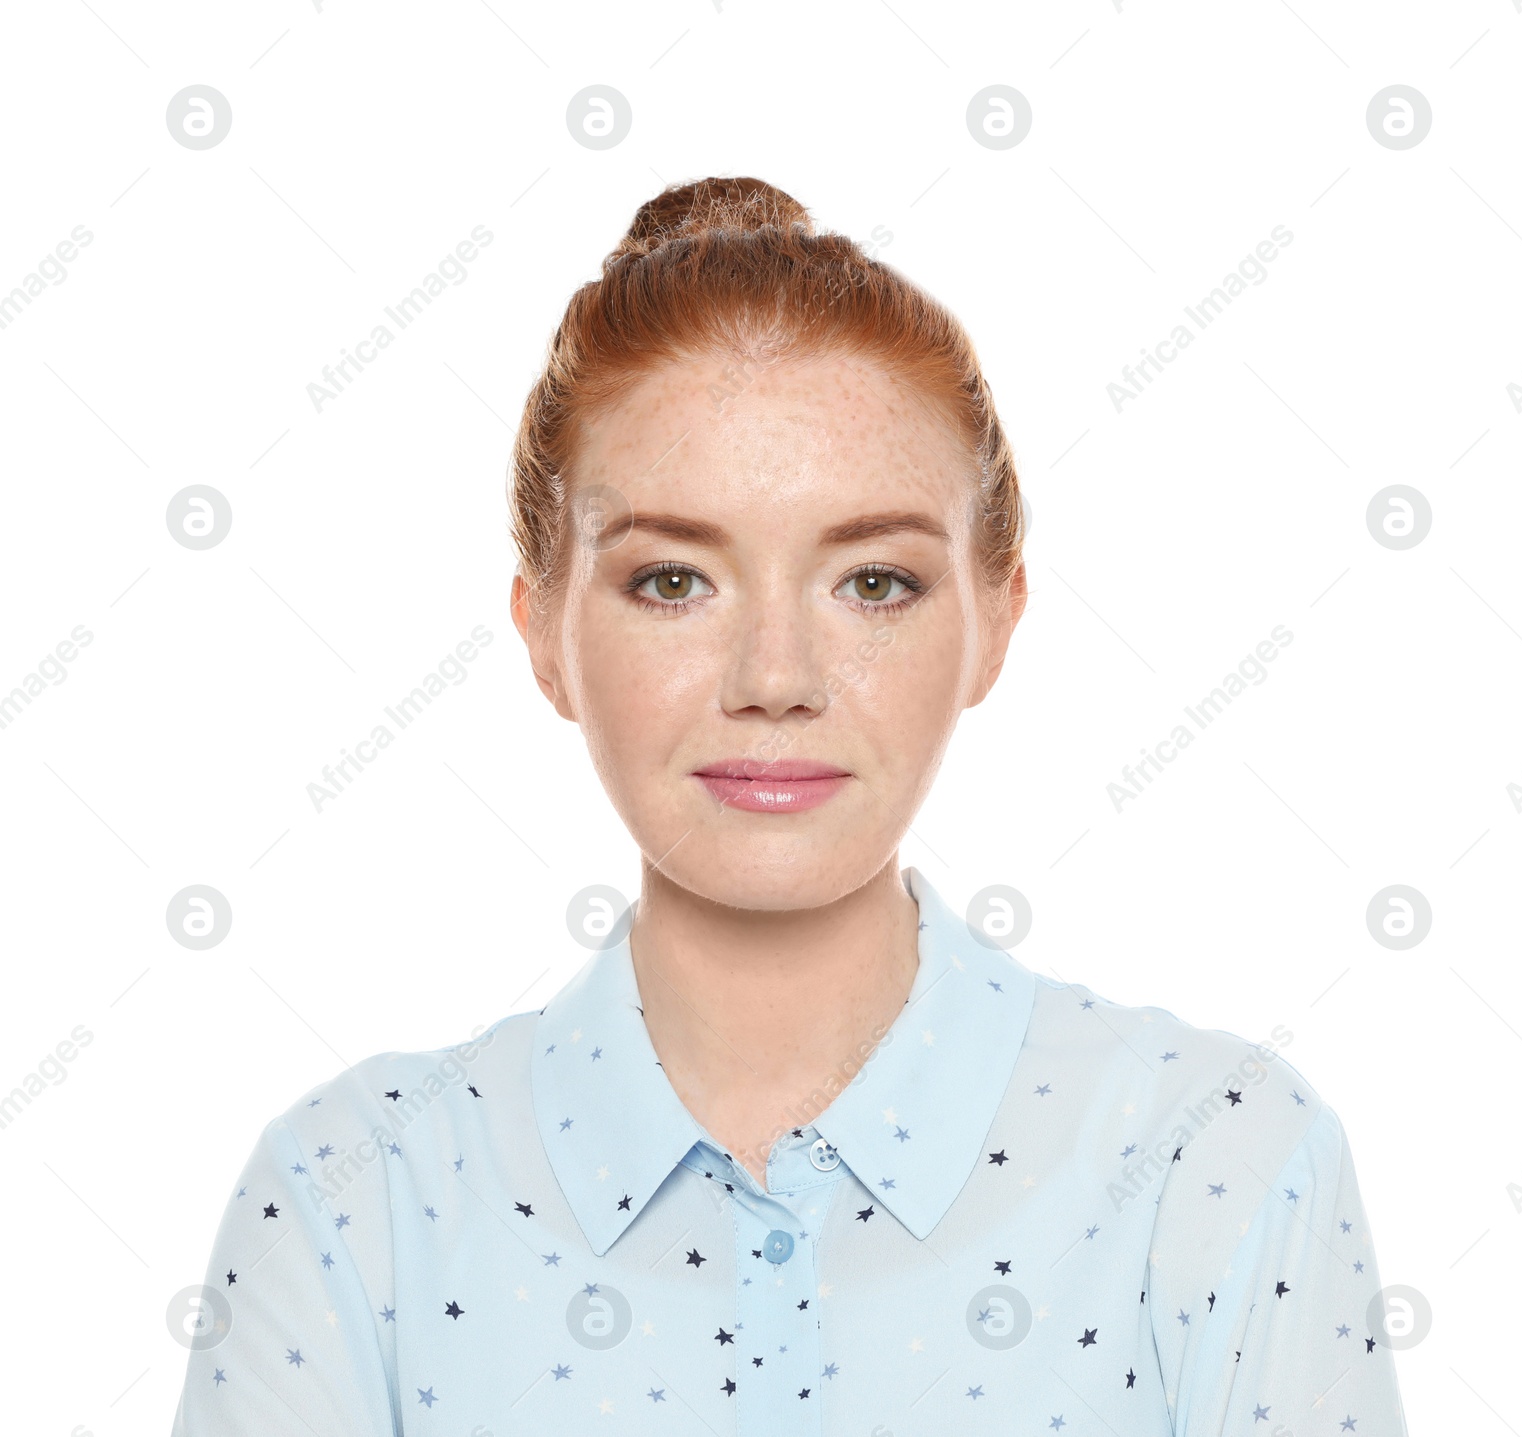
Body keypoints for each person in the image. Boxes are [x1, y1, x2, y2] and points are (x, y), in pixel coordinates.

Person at [172, 177, 1409, 1435]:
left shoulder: (1223, 1164)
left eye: (873, 582)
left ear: (996, 622)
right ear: (544, 630)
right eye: (671, 580)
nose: (775, 680)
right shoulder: (352, 1203)